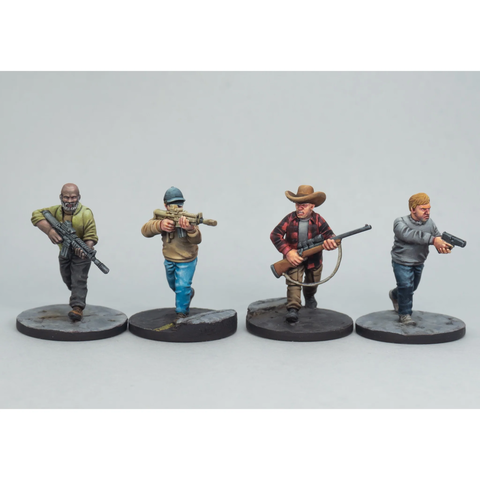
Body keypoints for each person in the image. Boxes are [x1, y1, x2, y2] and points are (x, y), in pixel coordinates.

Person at [270, 185, 338, 324]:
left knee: (313, 282)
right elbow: (275, 235)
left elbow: (330, 235)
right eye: (297, 204)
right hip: (294, 257)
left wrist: (332, 242)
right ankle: (293, 309)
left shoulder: (318, 219)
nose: (300, 208)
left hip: (314, 259)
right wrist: (288, 252)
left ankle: (309, 296)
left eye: (304, 205)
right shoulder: (289, 219)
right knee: (293, 284)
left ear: (312, 206)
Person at [31, 183, 98, 321]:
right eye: (66, 197)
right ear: (61, 197)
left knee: (79, 279)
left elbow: (91, 234)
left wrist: (86, 247)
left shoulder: (86, 213)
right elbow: (36, 214)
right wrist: (49, 230)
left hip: (81, 254)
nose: (69, 201)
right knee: (67, 278)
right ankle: (76, 292)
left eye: (73, 197)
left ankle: (77, 308)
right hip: (65, 252)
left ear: (79, 197)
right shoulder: (56, 210)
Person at [389, 192, 452, 325]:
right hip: (401, 261)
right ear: (412, 209)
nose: (427, 212)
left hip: (418, 261)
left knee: (412, 287)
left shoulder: (430, 223)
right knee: (406, 287)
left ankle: (395, 295)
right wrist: (433, 240)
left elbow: (437, 236)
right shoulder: (400, 222)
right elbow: (410, 235)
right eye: (423, 209)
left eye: (428, 209)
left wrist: (443, 245)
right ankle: (405, 314)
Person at [141, 187, 201, 322]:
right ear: (165, 205)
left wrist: (190, 229)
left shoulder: (188, 218)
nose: (176, 208)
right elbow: (145, 230)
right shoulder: (162, 216)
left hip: (186, 259)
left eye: (179, 205)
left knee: (182, 286)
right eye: (172, 205)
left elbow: (197, 240)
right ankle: (188, 294)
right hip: (169, 258)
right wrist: (160, 225)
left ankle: (181, 313)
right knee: (173, 284)